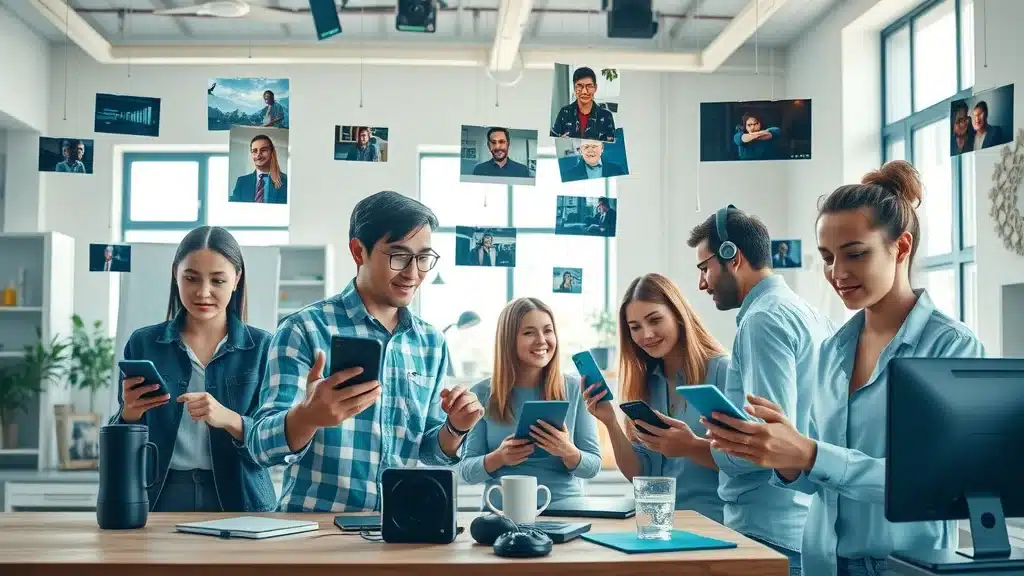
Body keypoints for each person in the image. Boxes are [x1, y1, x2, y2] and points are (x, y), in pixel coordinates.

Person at [704, 161, 985, 576]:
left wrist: (811, 452)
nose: (837, 273)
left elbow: (937, 486)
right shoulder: (834, 349)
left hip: (904, 567)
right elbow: (822, 483)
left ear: (901, 247)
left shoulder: (950, 347)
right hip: (822, 565)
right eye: (827, 257)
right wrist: (786, 457)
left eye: (855, 254)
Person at [246, 191, 485, 512]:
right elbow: (259, 448)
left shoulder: (430, 343)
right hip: (314, 533)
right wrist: (307, 417)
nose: (413, 273)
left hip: (398, 529)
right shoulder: (304, 329)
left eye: (423, 258)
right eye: (398, 256)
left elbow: (428, 452)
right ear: (359, 251)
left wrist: (455, 426)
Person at [685, 206, 835, 576]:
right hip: (806, 525)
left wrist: (698, 444)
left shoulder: (762, 320)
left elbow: (764, 444)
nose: (702, 283)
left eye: (704, 268)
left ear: (730, 257)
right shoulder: (813, 315)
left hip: (768, 530)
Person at [110, 226, 276, 512]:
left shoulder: (263, 346)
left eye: (218, 280)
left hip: (240, 497)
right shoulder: (144, 343)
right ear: (176, 275)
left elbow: (273, 440)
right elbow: (120, 441)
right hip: (160, 495)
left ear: (236, 279)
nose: (203, 292)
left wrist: (229, 419)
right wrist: (129, 414)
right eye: (191, 278)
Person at [582, 273, 729, 523]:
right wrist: (609, 422)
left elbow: (744, 462)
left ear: (678, 316)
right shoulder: (646, 383)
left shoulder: (721, 371)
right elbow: (640, 473)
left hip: (715, 523)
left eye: (655, 320)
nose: (646, 335)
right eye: (635, 327)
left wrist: (691, 446)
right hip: (658, 525)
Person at [459, 298, 602, 508]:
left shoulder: (575, 389)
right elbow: (467, 472)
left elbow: (592, 467)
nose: (542, 340)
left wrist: (566, 450)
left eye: (548, 330)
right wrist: (499, 457)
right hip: (503, 514)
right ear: (508, 340)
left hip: (566, 509)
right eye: (529, 333)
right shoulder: (482, 394)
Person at [550, 67, 616, 142]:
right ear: (574, 88)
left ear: (595, 88)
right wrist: (561, 140)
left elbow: (611, 147)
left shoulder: (606, 116)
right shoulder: (564, 113)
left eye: (589, 86)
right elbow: (554, 140)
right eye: (580, 86)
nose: (584, 91)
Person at [230, 135, 288, 204]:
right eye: (254, 151)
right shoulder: (242, 182)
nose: (258, 155)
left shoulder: (285, 180)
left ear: (272, 152)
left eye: (263, 150)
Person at [561, 140, 627, 182]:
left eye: (594, 146)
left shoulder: (617, 169)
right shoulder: (568, 176)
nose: (590, 151)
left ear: (602, 149)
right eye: (585, 147)